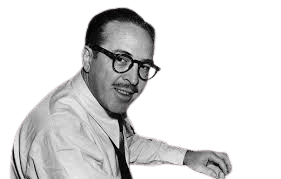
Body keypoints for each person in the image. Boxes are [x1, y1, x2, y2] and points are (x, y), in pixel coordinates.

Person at [10, 7, 233, 179]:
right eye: (121, 59)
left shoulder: (94, 101)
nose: (134, 79)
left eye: (143, 66)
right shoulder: (62, 135)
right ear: (88, 58)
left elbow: (121, 144)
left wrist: (184, 156)